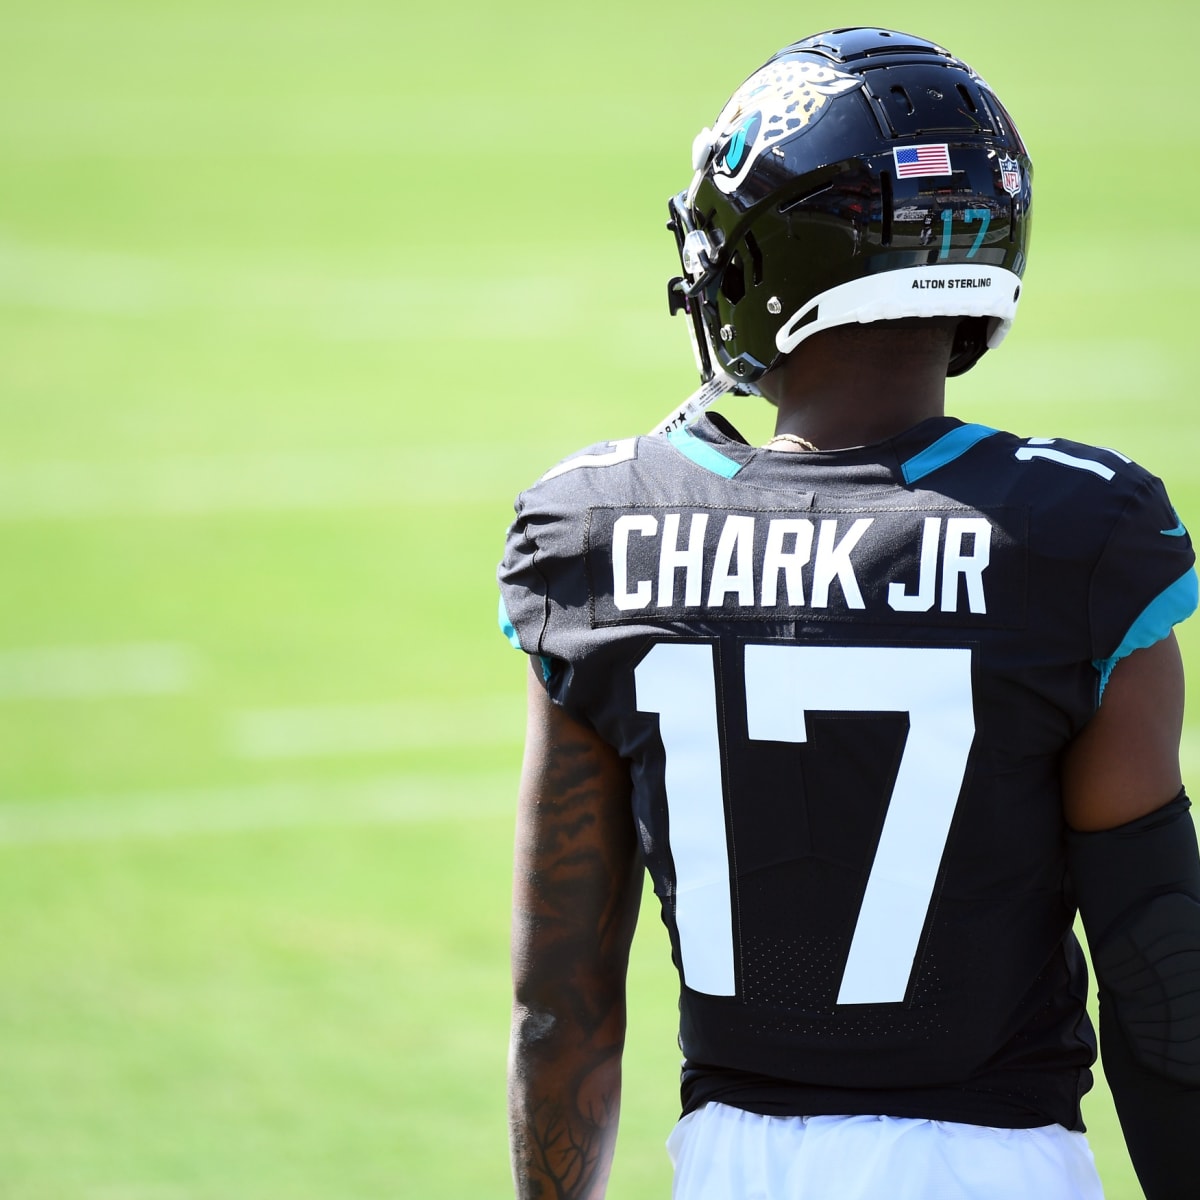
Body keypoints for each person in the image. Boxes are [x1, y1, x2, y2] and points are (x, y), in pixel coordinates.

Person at [497, 27, 1200, 1200]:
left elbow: (556, 1011)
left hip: (733, 1163)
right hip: (1002, 1169)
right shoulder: (1076, 533)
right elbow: (1160, 975)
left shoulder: (599, 532)